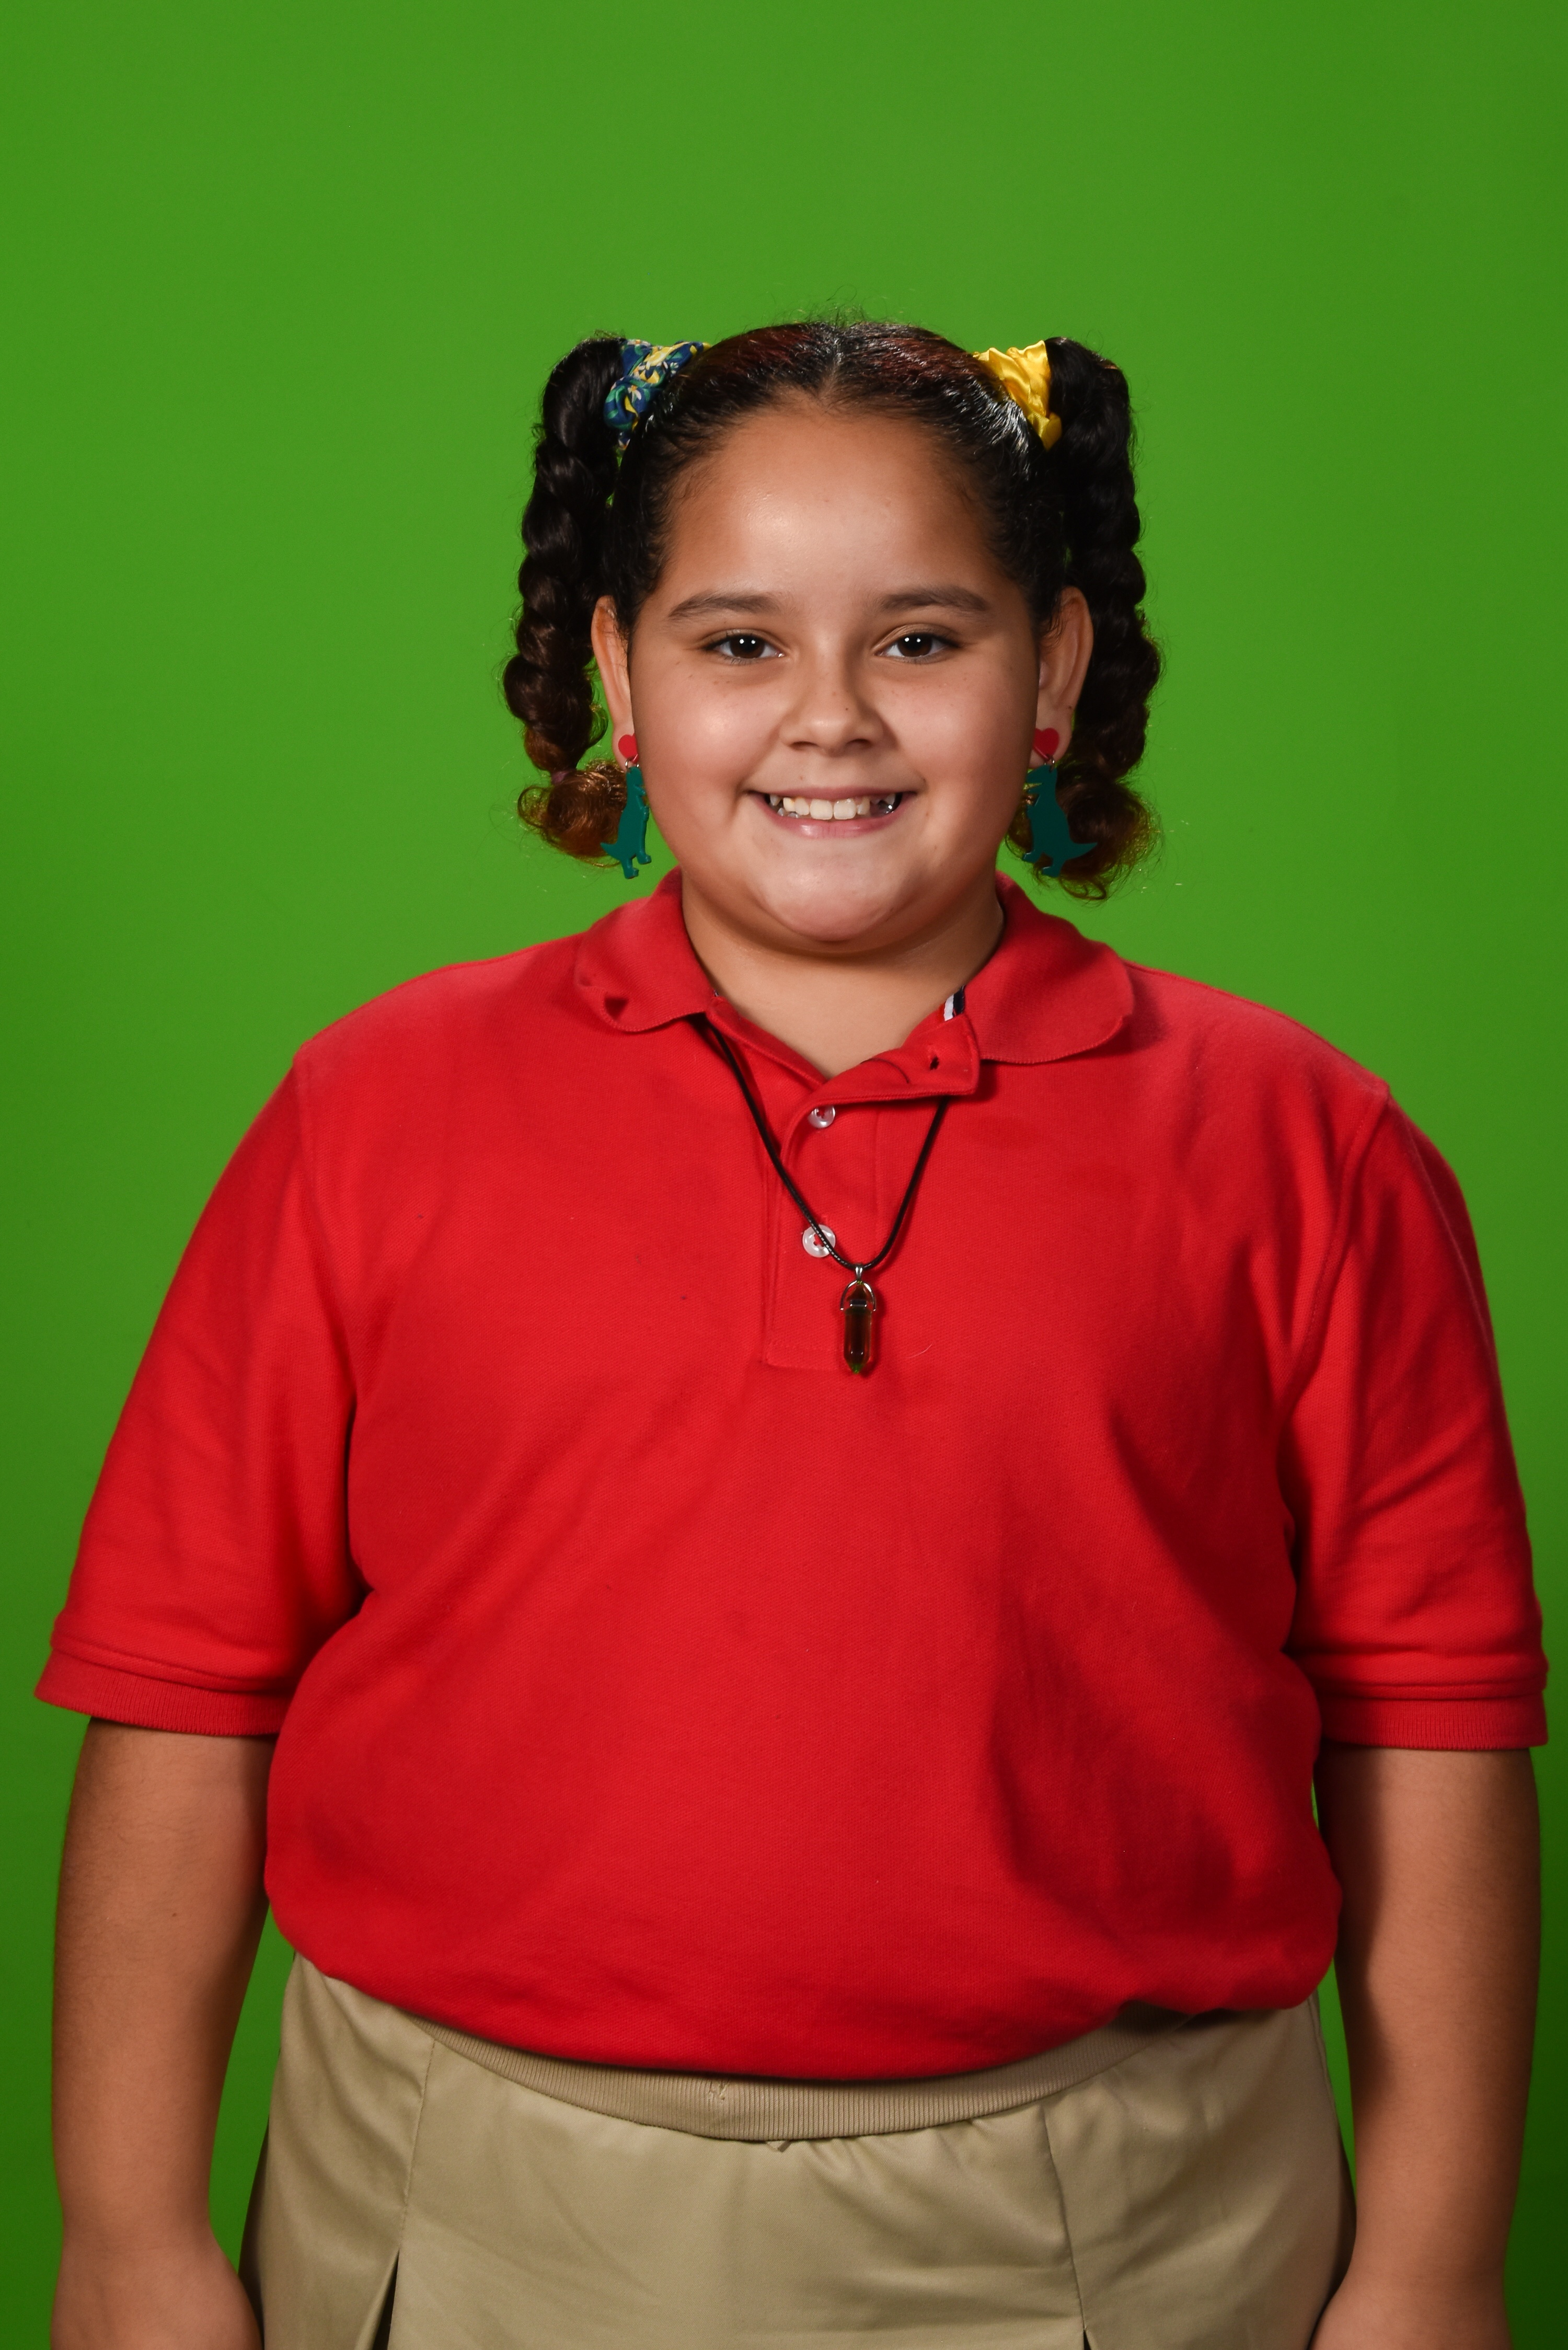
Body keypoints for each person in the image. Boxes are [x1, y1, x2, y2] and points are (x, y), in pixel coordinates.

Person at [43, 322, 1544, 2350]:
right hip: (465, 2208)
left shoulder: (1304, 1144)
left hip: (1132, 2228)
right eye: (739, 641)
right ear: (617, 676)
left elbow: (1430, 1723)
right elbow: (185, 1686)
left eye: (921, 638)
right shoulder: (374, 1107)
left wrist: (1436, 2267)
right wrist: (130, 2231)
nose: (829, 715)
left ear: (1057, 673)